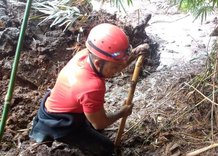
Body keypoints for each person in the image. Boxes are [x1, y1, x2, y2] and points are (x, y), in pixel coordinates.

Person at [29, 23, 149, 155]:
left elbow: (113, 64)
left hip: (54, 105)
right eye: (115, 68)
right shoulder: (92, 86)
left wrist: (134, 54)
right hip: (61, 122)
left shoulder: (86, 55)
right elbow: (100, 123)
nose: (117, 71)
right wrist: (122, 112)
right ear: (98, 63)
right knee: (107, 148)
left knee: (94, 127)